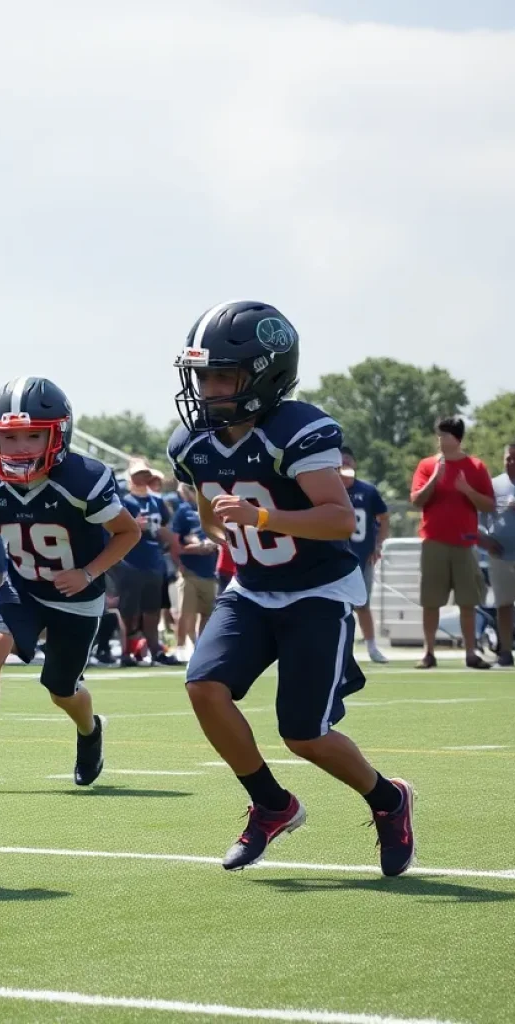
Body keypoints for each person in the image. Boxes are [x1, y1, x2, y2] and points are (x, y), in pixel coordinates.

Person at [168, 300, 414, 878]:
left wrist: (261, 519)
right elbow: (210, 514)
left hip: (316, 590)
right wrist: (227, 523)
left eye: (223, 375)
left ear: (265, 373)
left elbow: (338, 519)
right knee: (204, 687)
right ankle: (273, 804)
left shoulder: (294, 429)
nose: (208, 389)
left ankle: (388, 798)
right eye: (201, 376)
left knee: (304, 733)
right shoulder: (192, 444)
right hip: (251, 588)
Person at [0, 377, 142, 788]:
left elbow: (129, 533)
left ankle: (89, 729)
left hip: (77, 597)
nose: (20, 446)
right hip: (23, 587)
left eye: (33, 436)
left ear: (57, 436)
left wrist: (89, 573)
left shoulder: (82, 479)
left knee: (61, 691)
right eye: (10, 437)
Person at [410, 416, 494, 670]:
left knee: (468, 601)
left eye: (444, 435)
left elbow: (489, 505)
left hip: (465, 543)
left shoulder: (476, 467)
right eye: (439, 435)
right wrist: (435, 478)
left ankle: (470, 653)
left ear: (456, 438)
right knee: (431, 601)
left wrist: (468, 490)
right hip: (433, 541)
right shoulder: (427, 465)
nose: (440, 440)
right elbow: (416, 501)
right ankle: (429, 652)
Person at [113, 457, 180, 666]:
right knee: (128, 612)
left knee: (152, 611)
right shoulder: (123, 501)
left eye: (145, 474)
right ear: (131, 477)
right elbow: (112, 529)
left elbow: (167, 529)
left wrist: (168, 538)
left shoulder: (157, 501)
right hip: (131, 562)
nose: (142, 478)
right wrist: (134, 526)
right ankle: (126, 653)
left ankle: (155, 651)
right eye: (138, 474)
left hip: (154, 562)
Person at [340, 448, 390, 664]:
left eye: (348, 462)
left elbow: (384, 517)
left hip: (361, 556)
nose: (345, 466)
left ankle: (371, 647)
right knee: (336, 607)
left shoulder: (368, 491)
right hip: (335, 557)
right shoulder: (327, 489)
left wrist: (378, 544)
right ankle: (341, 649)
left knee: (363, 604)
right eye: (341, 462)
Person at [478, 443, 515, 667]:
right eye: (508, 458)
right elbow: (479, 521)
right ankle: (505, 652)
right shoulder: (493, 485)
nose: (511, 462)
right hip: (500, 555)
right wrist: (486, 541)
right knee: (503, 604)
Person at [171, 482, 217, 660]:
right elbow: (175, 543)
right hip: (190, 569)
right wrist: (193, 550)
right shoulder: (183, 510)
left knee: (207, 612)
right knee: (186, 612)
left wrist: (213, 544)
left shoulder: (213, 507)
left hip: (211, 569)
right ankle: (181, 647)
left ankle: (201, 647)